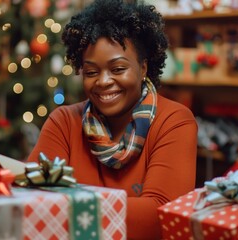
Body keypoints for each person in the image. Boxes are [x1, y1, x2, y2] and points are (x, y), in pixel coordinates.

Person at [27, 0, 197, 238]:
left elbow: (161, 216)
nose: (103, 81)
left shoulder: (173, 121)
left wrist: (65, 204)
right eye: (91, 72)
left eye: (118, 69)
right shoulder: (64, 122)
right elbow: (32, 198)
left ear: (144, 67)